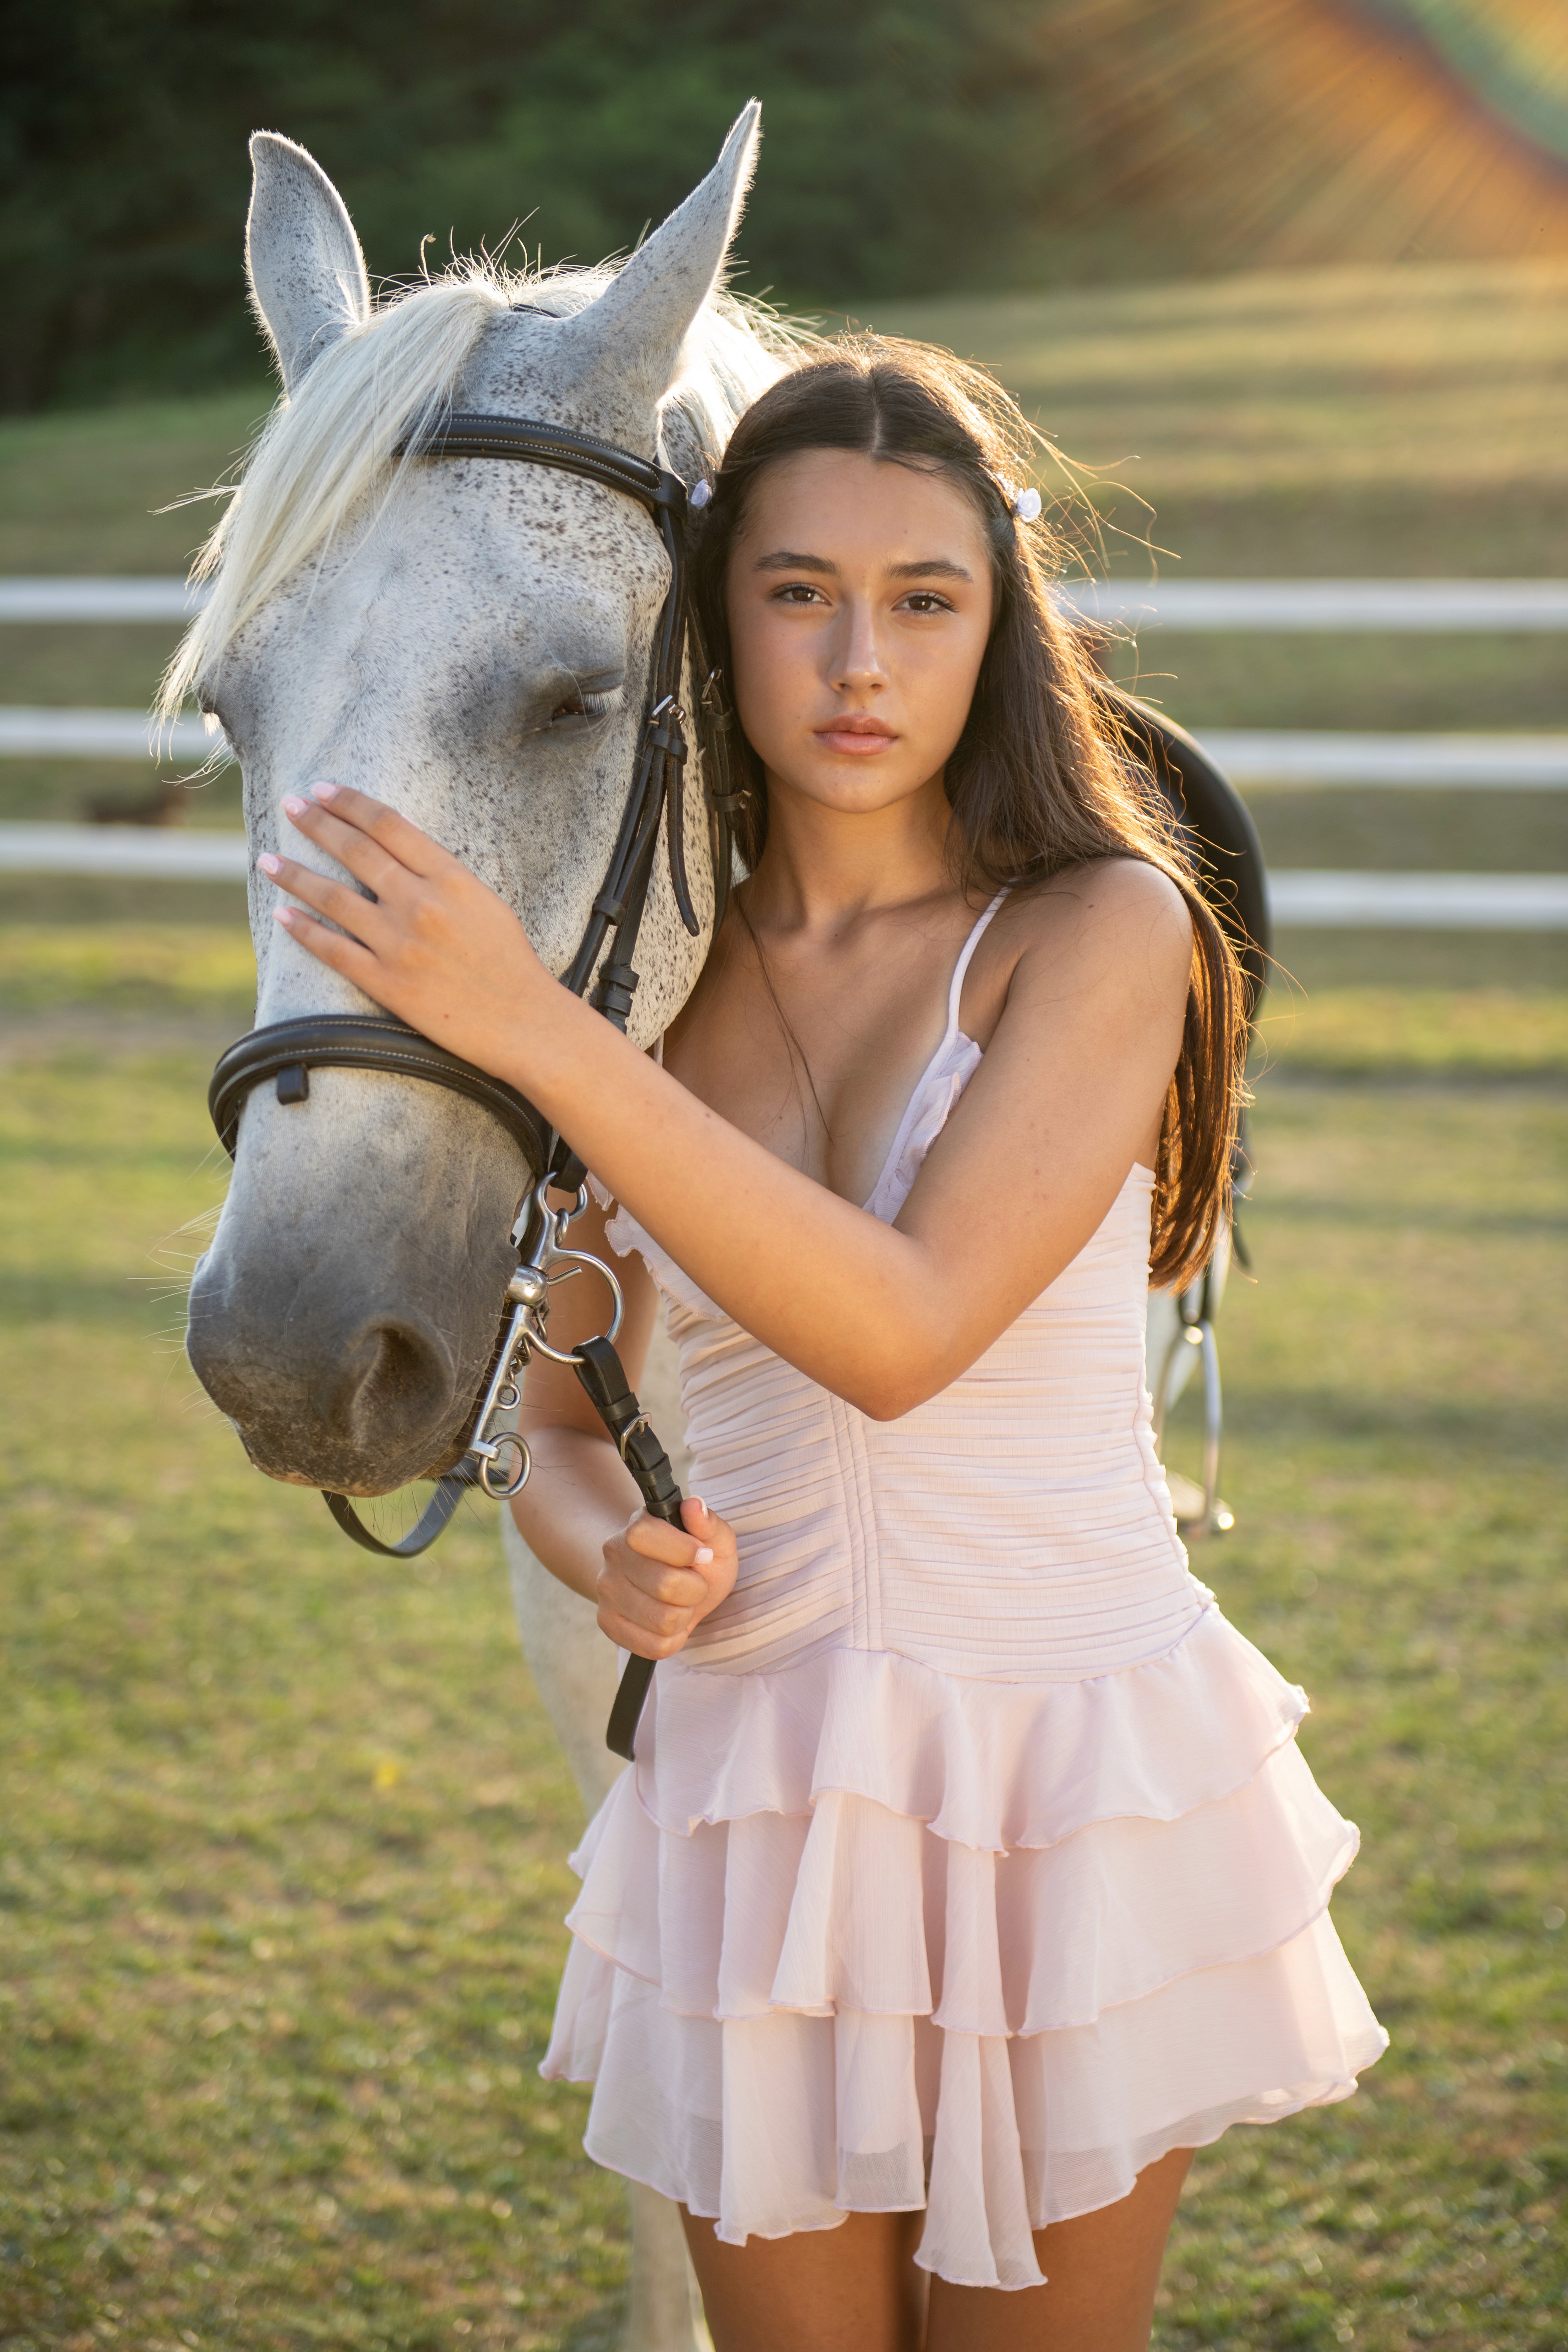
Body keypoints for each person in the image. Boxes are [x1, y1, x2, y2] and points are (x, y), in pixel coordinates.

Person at [260, 338, 1386, 2352]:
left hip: (1065, 1770)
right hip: (758, 1785)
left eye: (921, 599)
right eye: (794, 594)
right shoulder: (657, 987)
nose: (857, 660)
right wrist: (599, 1543)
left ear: (993, 626)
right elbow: (552, 1398)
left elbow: (906, 1332)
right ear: (717, 619)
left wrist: (531, 1030)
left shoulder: (1097, 933)